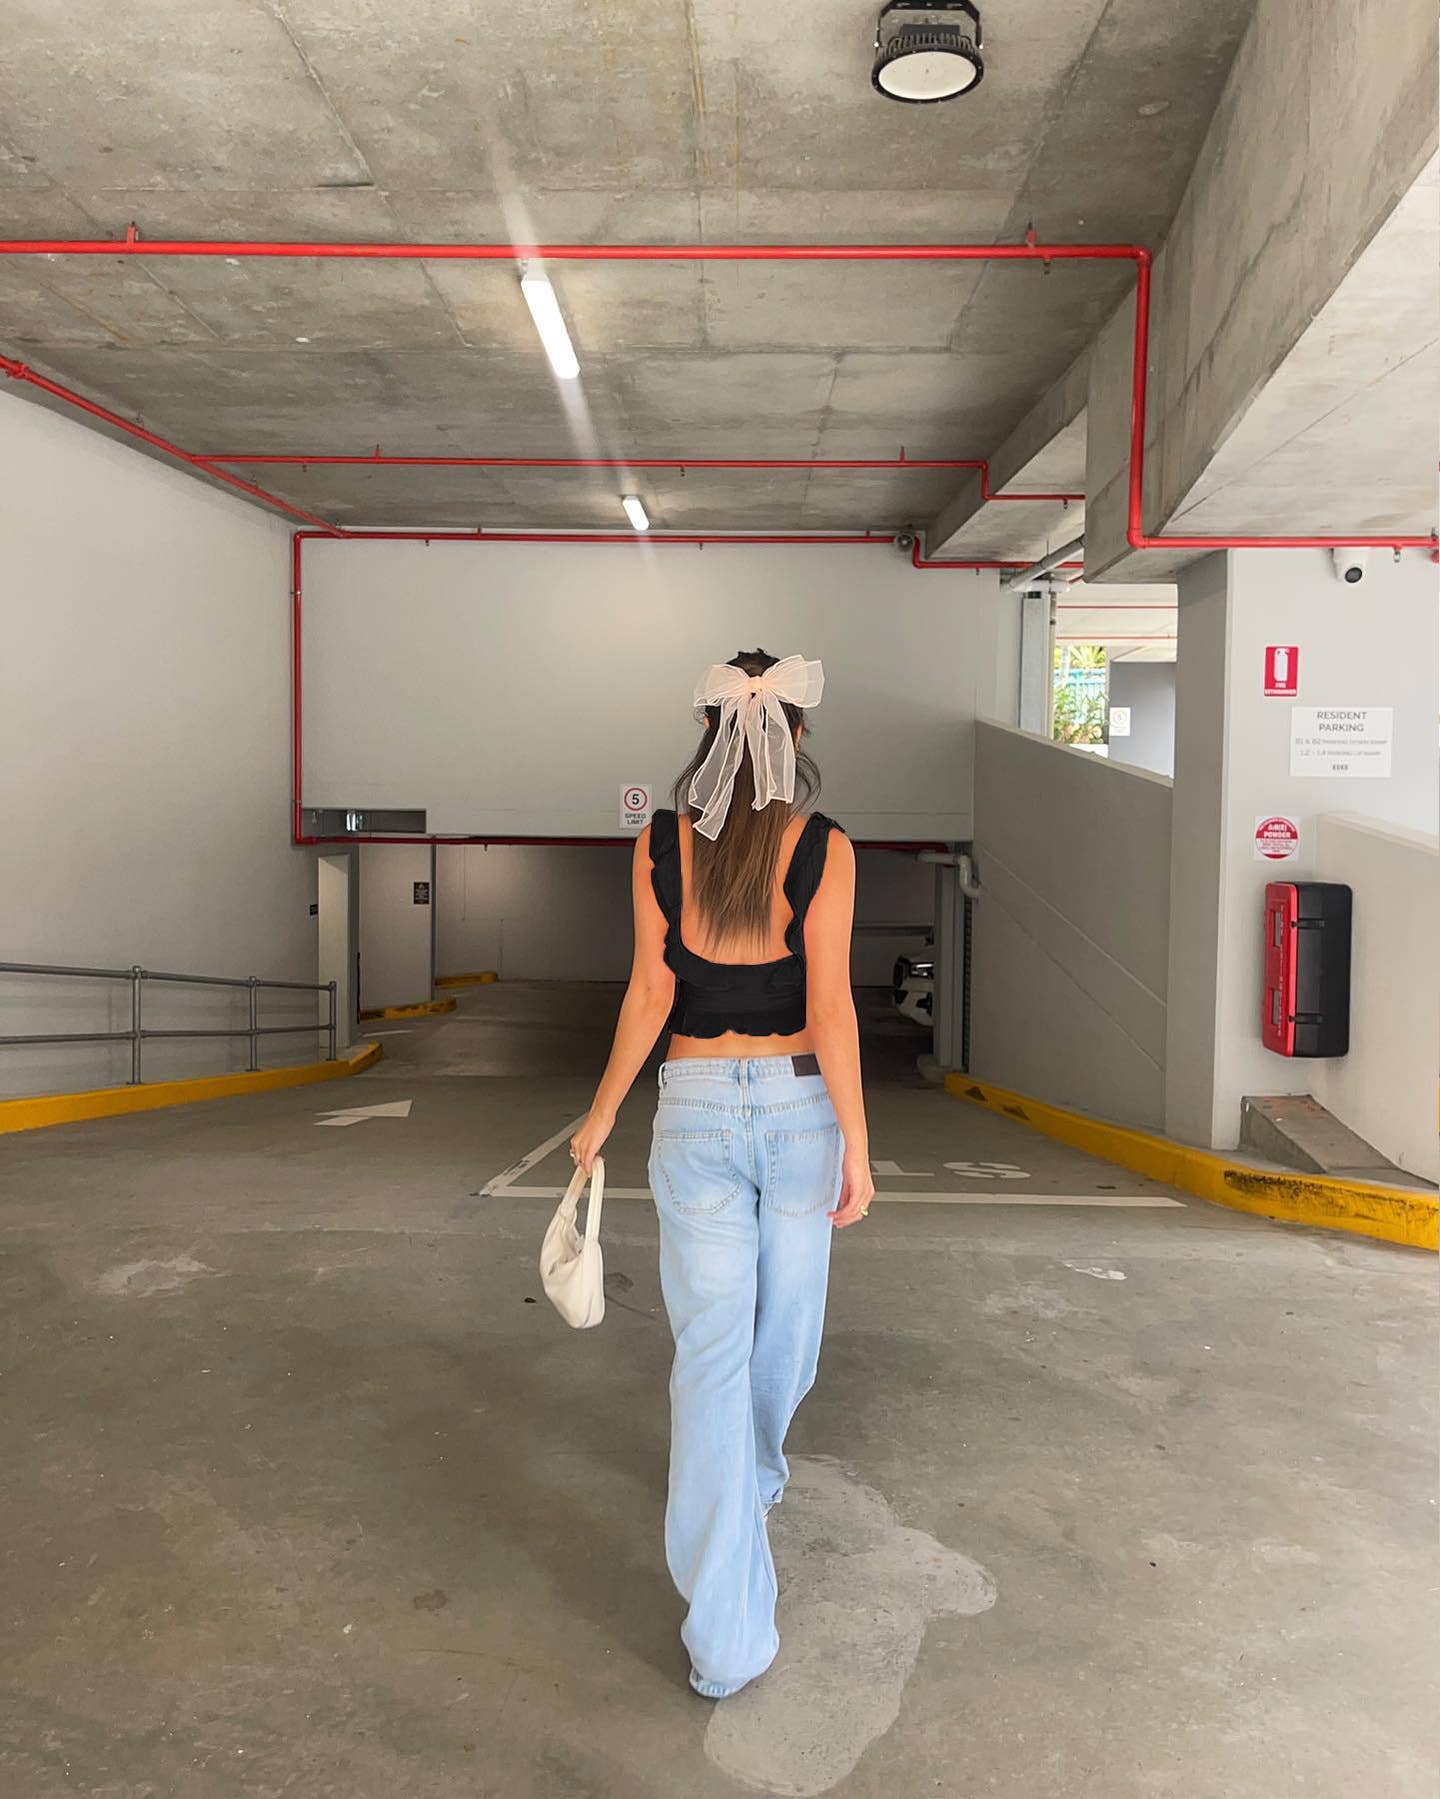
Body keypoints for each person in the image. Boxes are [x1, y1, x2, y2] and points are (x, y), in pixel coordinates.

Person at [569, 647, 875, 1700]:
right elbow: (831, 1007)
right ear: (798, 735)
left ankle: (724, 1637)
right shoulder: (825, 846)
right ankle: (756, 1476)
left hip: (694, 1109)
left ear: (707, 732)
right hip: (798, 1113)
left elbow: (650, 993)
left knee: (709, 1358)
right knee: (783, 1337)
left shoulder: (658, 842)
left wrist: (602, 1113)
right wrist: (859, 1144)